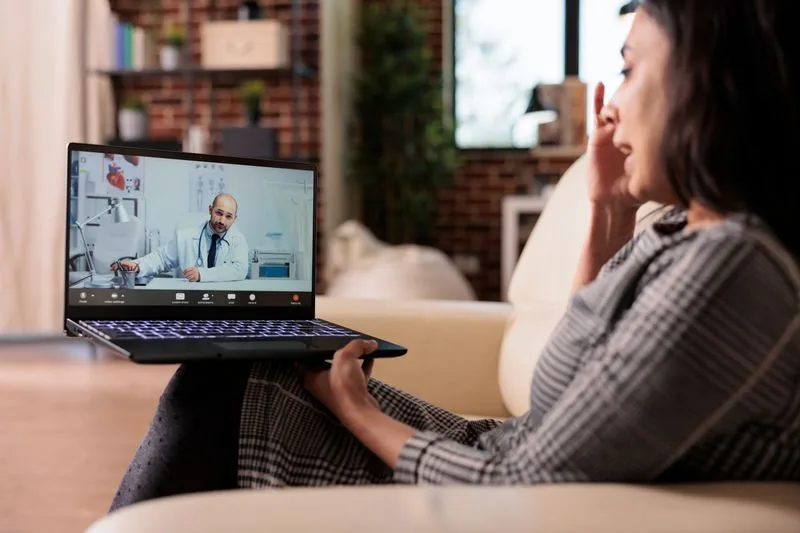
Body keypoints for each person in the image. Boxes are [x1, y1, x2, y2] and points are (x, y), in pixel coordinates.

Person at [109, 0, 800, 510]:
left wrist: (357, 408)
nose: (609, 106)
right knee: (241, 367)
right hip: (488, 448)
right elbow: (561, 392)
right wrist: (610, 211)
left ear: (705, 85)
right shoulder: (680, 229)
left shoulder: (733, 268)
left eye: (627, 70)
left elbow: (520, 483)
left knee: (223, 390)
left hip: (489, 485)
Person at [112, 193, 249, 283]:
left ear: (234, 218)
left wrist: (201, 275)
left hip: (224, 303)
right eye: (219, 213)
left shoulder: (238, 240)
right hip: (190, 301)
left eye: (228, 216)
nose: (222, 221)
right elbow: (161, 259)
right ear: (210, 209)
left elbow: (239, 270)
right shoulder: (186, 236)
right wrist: (137, 266)